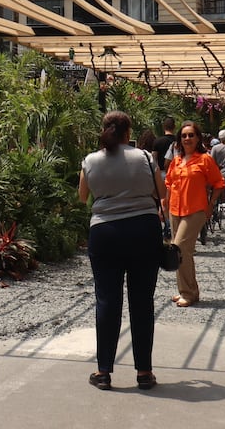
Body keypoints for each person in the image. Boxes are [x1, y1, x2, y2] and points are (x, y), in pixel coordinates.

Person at [78, 111, 163, 391]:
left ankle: (103, 372)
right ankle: (144, 373)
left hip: (105, 233)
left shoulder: (91, 160)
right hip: (143, 230)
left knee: (107, 300)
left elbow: (82, 196)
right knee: (142, 301)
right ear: (129, 133)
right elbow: (160, 193)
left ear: (104, 130)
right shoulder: (145, 158)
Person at [164, 120, 224, 307]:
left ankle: (188, 293)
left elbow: (219, 183)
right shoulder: (176, 161)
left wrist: (211, 204)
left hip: (195, 210)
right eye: (184, 135)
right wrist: (164, 204)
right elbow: (169, 183)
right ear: (179, 140)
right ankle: (187, 290)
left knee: (180, 248)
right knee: (179, 251)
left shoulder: (205, 159)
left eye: (191, 135)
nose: (187, 138)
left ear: (198, 138)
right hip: (175, 209)